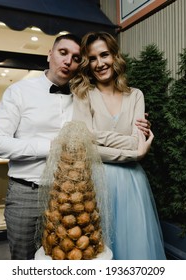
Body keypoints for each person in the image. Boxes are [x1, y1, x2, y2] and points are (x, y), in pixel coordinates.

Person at [0, 33, 151, 260]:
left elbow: (98, 134)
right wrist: (52, 146)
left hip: (77, 197)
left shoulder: (82, 93)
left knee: (74, 262)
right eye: (63, 53)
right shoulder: (19, 91)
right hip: (28, 192)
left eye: (75, 57)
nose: (68, 61)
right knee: (25, 261)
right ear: (49, 54)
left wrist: (136, 132)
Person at [71, 31, 166, 260]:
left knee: (134, 250)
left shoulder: (135, 95)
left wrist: (96, 135)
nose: (100, 63)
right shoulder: (83, 94)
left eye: (104, 55)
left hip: (133, 186)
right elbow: (85, 146)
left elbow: (137, 141)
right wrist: (132, 151)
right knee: (97, 250)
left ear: (115, 55)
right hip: (95, 184)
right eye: (92, 58)